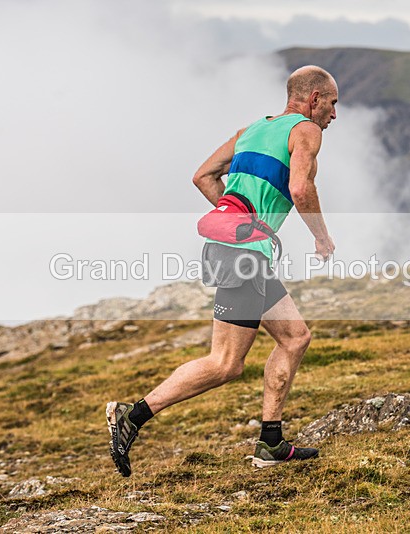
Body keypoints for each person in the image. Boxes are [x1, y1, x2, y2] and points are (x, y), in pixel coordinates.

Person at [107, 65, 338, 476]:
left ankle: (270, 442)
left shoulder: (250, 131)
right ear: (313, 98)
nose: (335, 114)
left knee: (296, 337)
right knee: (225, 363)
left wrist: (235, 217)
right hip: (243, 254)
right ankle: (133, 416)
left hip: (238, 250)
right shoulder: (305, 130)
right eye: (333, 104)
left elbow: (203, 176)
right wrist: (321, 237)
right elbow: (301, 190)